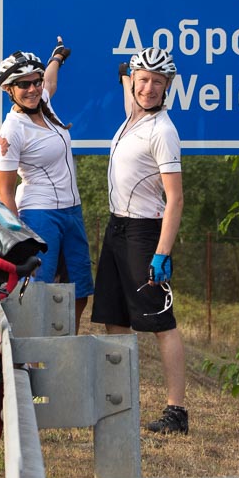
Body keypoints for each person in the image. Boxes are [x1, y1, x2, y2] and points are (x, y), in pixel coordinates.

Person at [91, 46, 188, 435]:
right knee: (115, 319)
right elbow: (127, 81)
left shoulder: (162, 131)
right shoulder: (132, 117)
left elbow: (176, 198)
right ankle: (121, 401)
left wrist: (162, 253)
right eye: (142, 80)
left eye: (157, 83)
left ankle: (176, 411)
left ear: (168, 87)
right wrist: (127, 73)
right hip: (116, 228)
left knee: (161, 321)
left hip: (145, 233)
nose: (148, 88)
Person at [0, 41, 94, 330]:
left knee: (80, 291)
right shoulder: (13, 129)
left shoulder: (44, 102)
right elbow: (5, 190)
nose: (33, 88)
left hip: (72, 212)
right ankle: (35, 359)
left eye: (34, 82)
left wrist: (57, 58)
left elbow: (49, 79)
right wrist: (18, 238)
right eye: (23, 84)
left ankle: (65, 346)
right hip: (40, 215)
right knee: (37, 291)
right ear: (9, 90)